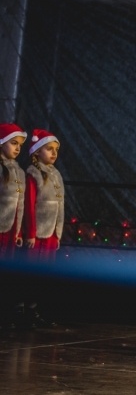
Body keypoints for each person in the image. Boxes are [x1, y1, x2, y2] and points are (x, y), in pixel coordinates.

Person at [20, 128, 64, 329]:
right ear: (37, 151)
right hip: (36, 235)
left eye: (56, 149)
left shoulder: (55, 174)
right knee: (30, 273)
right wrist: (29, 233)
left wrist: (57, 233)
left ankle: (33, 310)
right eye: (49, 149)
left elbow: (60, 205)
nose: (54, 153)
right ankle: (21, 311)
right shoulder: (33, 174)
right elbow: (28, 205)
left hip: (50, 234)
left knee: (42, 275)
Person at [0, 123, 27, 330]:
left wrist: (18, 230)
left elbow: (20, 203)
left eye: (19, 145)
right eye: (13, 143)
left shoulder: (18, 171)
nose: (17, 148)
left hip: (10, 229)